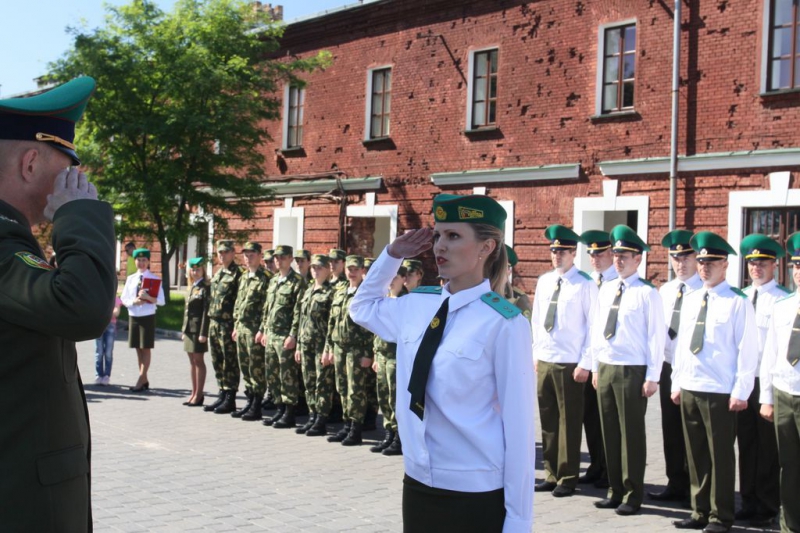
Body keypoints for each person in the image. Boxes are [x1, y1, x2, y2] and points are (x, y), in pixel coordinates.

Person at [350, 193, 535, 533]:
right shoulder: (416, 306)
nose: (439, 246)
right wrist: (392, 255)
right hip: (418, 481)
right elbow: (361, 308)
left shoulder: (504, 323)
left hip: (475, 491)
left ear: (486, 248)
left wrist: (519, 521)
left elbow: (520, 428)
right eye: (437, 235)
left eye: (453, 236)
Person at [0, 76, 117, 531]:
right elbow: (82, 308)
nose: (76, 181)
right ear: (31, 163)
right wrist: (78, 213)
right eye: (69, 169)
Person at [670, 231, 758, 533]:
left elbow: (747, 349)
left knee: (720, 456)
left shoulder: (737, 302)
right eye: (702, 261)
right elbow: (682, 345)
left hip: (720, 391)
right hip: (692, 385)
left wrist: (741, 390)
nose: (705, 267)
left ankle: (721, 516)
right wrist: (677, 382)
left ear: (726, 265)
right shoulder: (693, 298)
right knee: (695, 454)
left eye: (712, 262)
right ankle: (700, 510)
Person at [590, 225, 665, 516]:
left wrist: (652, 376)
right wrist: (596, 366)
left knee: (631, 434)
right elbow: (597, 330)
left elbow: (656, 338)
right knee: (609, 432)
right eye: (616, 255)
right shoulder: (606, 288)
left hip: (632, 370)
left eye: (625, 256)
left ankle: (633, 494)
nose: (619, 260)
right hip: (607, 367)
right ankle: (615, 489)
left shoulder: (648, 294)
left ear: (638, 259)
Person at [532, 225, 597, 497]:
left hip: (570, 363)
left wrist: (586, 362)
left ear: (574, 253)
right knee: (548, 420)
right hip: (546, 358)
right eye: (554, 251)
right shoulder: (545, 281)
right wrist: (535, 353)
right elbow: (537, 319)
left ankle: (568, 477)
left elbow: (594, 326)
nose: (557, 256)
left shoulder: (585, 284)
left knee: (568, 422)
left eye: (562, 251)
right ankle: (551, 472)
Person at [648, 230, 701, 504]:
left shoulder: (703, 290)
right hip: (668, 366)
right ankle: (675, 482)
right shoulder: (666, 290)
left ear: (696, 258)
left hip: (691, 368)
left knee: (691, 429)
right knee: (670, 427)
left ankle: (695, 487)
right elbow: (657, 332)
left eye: (686, 257)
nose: (680, 263)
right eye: (675, 258)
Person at [735, 233, 784, 526]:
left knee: (768, 449)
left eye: (762, 263)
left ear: (774, 265)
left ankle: (767, 507)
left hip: (767, 384)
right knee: (746, 445)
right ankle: (748, 500)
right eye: (752, 263)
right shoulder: (740, 297)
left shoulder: (782, 300)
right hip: (744, 382)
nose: (756, 268)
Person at [759, 231, 800, 533]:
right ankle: (790, 525)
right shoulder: (783, 306)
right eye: (796, 266)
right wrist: (767, 397)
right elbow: (771, 355)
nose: (799, 273)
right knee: (789, 467)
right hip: (785, 394)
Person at [322, 255, 375, 446]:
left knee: (356, 391)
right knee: (342, 388)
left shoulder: (367, 293)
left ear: (362, 270)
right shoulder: (340, 291)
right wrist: (328, 348)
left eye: (355, 268)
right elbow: (332, 322)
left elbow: (372, 326)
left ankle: (356, 429)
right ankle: (346, 424)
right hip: (339, 348)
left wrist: (369, 353)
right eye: (349, 268)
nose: (351, 272)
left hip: (357, 350)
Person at [578, 229, 616, 488]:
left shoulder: (618, 282)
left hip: (609, 360)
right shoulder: (588, 281)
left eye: (600, 253)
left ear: (612, 253)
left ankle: (609, 470)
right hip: (588, 359)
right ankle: (595, 464)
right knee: (590, 417)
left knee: (608, 420)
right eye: (591, 254)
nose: (595, 258)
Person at [258, 244, 307, 428]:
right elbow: (267, 308)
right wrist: (263, 329)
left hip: (285, 336)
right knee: (273, 374)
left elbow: (298, 312)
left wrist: (293, 335)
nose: (278, 261)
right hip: (271, 335)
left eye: (282, 257)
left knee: (287, 375)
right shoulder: (273, 281)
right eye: (276, 258)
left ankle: (289, 412)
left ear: (290, 259)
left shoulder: (297, 282)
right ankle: (279, 408)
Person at [292, 254, 336, 436]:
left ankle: (321, 419)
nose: (316, 271)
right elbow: (301, 319)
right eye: (314, 268)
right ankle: (312, 415)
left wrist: (328, 349)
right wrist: (299, 346)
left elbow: (332, 324)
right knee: (309, 382)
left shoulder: (331, 293)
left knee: (322, 383)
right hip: (306, 344)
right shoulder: (308, 291)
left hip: (321, 346)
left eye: (320, 268)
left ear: (327, 270)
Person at [371, 265, 408, 455]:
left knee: (396, 400)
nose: (392, 280)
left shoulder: (406, 302)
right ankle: (389, 433)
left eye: (396, 277)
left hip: (396, 358)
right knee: (384, 398)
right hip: (383, 356)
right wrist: (376, 355)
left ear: (404, 279)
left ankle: (399, 437)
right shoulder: (384, 300)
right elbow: (377, 330)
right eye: (390, 277)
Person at [231, 242, 271, 421]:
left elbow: (266, 308)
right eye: (246, 255)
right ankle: (249, 400)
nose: (248, 258)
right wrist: (236, 325)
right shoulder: (244, 277)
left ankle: (256, 404)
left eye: (252, 254)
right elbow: (239, 303)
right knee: (245, 367)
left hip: (255, 330)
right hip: (242, 329)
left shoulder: (266, 278)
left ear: (260, 255)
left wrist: (262, 329)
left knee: (256, 369)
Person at [204, 240, 242, 414]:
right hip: (215, 323)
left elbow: (240, 302)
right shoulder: (218, 273)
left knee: (229, 361)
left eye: (226, 252)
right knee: (217, 360)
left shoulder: (238, 274)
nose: (222, 255)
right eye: (219, 252)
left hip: (228, 324)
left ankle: (230, 397)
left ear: (233, 253)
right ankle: (222, 392)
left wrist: (236, 325)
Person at [121, 248, 166, 391]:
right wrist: (134, 302)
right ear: (135, 261)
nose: (141, 263)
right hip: (134, 316)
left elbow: (161, 301)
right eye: (139, 260)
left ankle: (140, 379)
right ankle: (144, 379)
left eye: (144, 260)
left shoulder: (154, 279)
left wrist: (148, 298)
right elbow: (124, 298)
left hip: (147, 316)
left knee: (145, 348)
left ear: (148, 261)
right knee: (138, 349)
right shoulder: (131, 279)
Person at [181, 257, 210, 406]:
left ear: (203, 270)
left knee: (198, 361)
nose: (195, 272)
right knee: (191, 362)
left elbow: (206, 312)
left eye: (198, 269)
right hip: (189, 330)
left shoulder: (205, 288)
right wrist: (184, 330)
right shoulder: (192, 286)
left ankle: (199, 395)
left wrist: (204, 333)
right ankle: (193, 393)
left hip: (198, 330)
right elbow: (187, 311)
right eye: (193, 269)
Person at [95, 295, 123, 385]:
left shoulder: (115, 298)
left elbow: (117, 312)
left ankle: (106, 375)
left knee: (108, 352)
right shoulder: (98, 297)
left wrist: (104, 313)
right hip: (99, 325)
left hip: (110, 325)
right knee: (99, 351)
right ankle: (98, 374)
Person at [504, 245, 532, 320]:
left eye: (503, 267)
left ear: (509, 271)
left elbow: (525, 328)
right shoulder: (479, 292)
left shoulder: (518, 298)